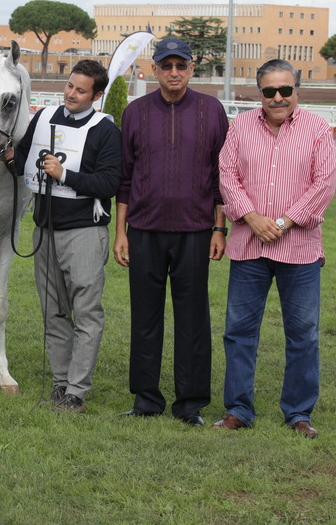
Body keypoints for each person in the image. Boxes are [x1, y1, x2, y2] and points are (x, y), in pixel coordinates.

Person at [212, 59, 336, 438]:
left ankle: (299, 413)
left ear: (297, 89)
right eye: (270, 91)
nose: (278, 98)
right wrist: (252, 218)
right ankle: (238, 409)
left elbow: (324, 185)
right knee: (239, 332)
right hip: (250, 247)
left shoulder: (317, 129)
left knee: (303, 334)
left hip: (299, 249)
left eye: (285, 90)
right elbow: (227, 175)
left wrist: (282, 222)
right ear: (259, 93)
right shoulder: (241, 127)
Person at [113, 37, 228, 426]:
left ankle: (190, 403)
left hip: (196, 231)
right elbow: (125, 177)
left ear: (192, 68)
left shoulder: (212, 111)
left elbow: (221, 177)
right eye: (167, 66)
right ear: (155, 69)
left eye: (181, 66)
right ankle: (146, 399)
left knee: (193, 319)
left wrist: (219, 227)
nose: (174, 73)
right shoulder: (136, 112)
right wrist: (121, 231)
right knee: (145, 318)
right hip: (144, 230)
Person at [10, 59, 121, 413]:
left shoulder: (106, 130)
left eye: (81, 90)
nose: (71, 94)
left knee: (86, 312)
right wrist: (4, 154)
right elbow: (24, 160)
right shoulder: (43, 117)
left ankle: (76, 390)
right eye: (70, 85)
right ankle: (60, 383)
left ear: (97, 95)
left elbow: (109, 183)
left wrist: (66, 175)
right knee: (53, 310)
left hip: (84, 232)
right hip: (45, 228)